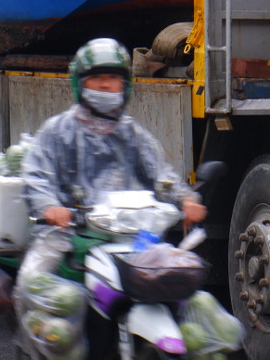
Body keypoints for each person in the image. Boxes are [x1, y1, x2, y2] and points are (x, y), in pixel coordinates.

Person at [16, 38, 207, 352]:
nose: (105, 86)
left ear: (125, 85)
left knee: (177, 287)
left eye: (113, 79)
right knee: (31, 284)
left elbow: (162, 176)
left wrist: (185, 200)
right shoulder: (56, 130)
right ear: (80, 84)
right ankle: (40, 350)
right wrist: (50, 206)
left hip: (129, 235)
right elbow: (37, 176)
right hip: (68, 233)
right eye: (97, 79)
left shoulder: (133, 134)